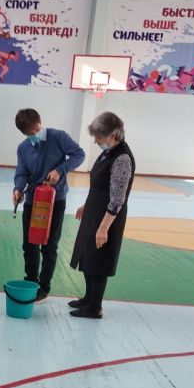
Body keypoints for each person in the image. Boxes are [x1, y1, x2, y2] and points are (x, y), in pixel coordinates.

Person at [12, 108, 85, 301]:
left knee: (49, 246)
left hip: (55, 201)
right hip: (32, 201)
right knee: (29, 244)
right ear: (24, 133)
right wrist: (18, 189)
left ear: (40, 123)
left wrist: (60, 170)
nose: (35, 135)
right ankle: (31, 280)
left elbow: (79, 154)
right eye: (30, 134)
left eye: (37, 130)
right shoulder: (23, 148)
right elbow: (21, 173)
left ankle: (44, 287)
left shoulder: (58, 137)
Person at [69, 112, 135, 319]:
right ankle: (88, 298)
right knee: (88, 257)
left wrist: (104, 228)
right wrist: (86, 206)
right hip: (95, 212)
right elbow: (100, 185)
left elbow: (117, 199)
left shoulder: (122, 158)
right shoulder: (109, 153)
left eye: (99, 137)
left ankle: (94, 308)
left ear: (113, 135)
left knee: (99, 261)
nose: (96, 141)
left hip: (107, 218)